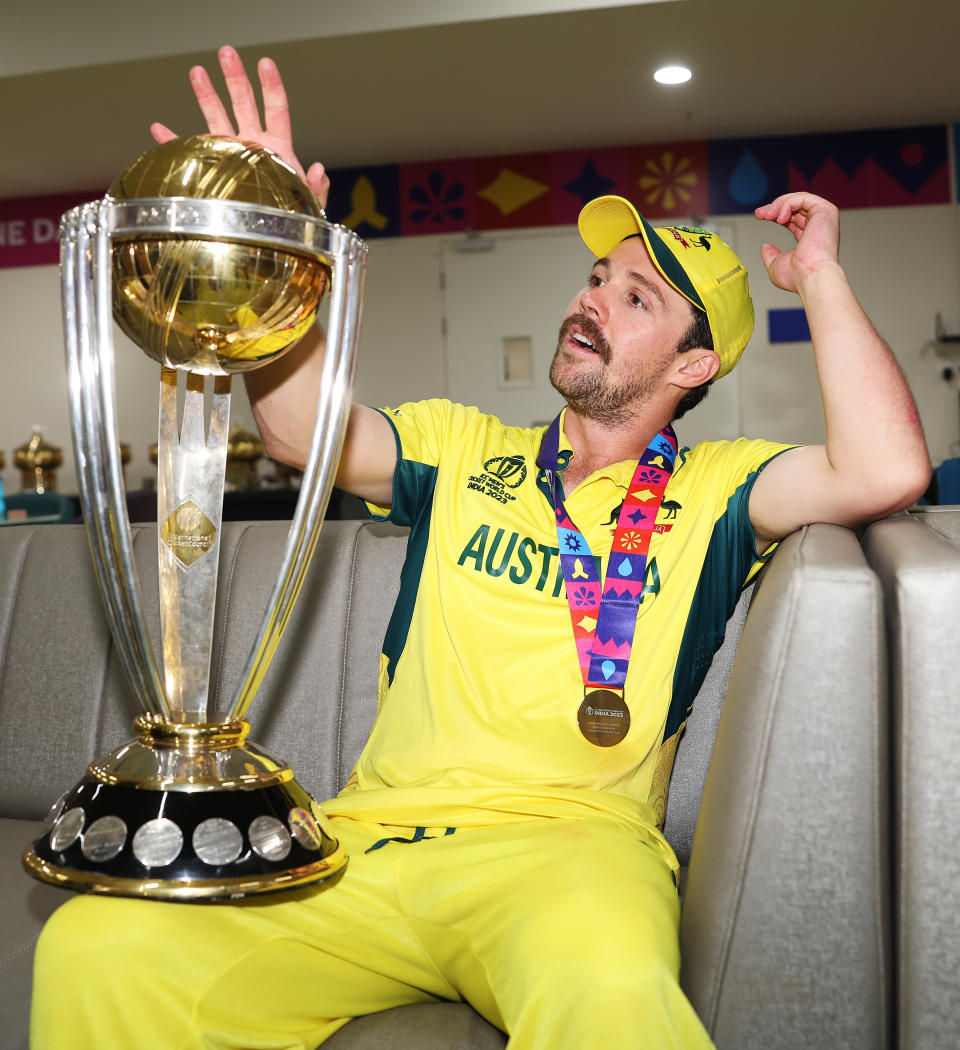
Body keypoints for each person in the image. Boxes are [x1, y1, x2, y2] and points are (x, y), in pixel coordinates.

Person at [31, 46, 930, 1050]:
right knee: (99, 944)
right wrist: (282, 239)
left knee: (610, 992)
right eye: (596, 277)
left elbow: (886, 469)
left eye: (637, 299)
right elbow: (298, 435)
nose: (591, 299)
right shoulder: (462, 446)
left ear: (696, 361)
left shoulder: (722, 489)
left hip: (569, 856)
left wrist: (819, 279)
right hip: (365, 846)